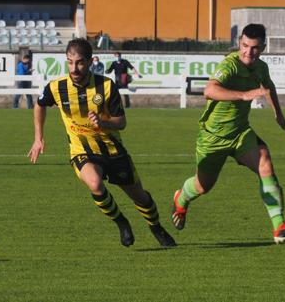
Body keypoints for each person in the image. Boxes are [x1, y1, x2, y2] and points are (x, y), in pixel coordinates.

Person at [28, 39, 176, 248]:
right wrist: (38, 138)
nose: (74, 68)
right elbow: (39, 105)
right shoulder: (57, 87)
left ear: (89, 62)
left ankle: (156, 227)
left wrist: (104, 122)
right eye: (70, 62)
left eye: (79, 63)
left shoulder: (105, 86)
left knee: (140, 197)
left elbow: (121, 122)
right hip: (81, 149)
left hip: (112, 149)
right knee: (95, 184)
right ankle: (122, 223)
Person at [170, 24, 285, 244]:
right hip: (213, 137)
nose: (248, 52)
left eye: (254, 48)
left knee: (265, 162)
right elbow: (209, 90)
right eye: (244, 46)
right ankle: (181, 198)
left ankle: (279, 226)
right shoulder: (229, 64)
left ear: (263, 47)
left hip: (240, 133)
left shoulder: (260, 67)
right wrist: (244, 95)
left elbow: (268, 88)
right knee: (203, 186)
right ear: (239, 43)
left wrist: (278, 115)